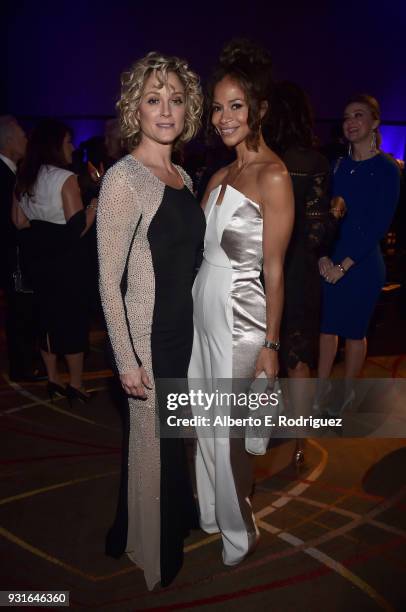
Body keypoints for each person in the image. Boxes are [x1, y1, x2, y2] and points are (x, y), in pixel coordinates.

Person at [97, 52, 204, 589]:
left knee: (171, 440)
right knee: (151, 443)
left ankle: (170, 521)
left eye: (176, 99)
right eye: (154, 98)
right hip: (146, 337)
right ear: (135, 109)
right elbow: (107, 282)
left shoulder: (181, 174)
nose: (166, 110)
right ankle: (149, 546)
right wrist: (126, 359)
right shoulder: (123, 179)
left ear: (189, 109)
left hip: (181, 333)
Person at [188, 40, 294, 565]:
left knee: (228, 435)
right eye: (217, 106)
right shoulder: (219, 175)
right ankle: (211, 511)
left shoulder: (272, 176)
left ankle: (240, 530)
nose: (223, 116)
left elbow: (275, 270)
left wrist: (271, 346)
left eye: (235, 106)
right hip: (202, 311)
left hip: (240, 316)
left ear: (258, 110)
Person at [265, 82, 342, 461]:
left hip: (259, 269)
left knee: (262, 351)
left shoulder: (260, 160)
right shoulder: (312, 163)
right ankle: (298, 441)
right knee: (298, 356)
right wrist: (335, 213)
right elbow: (315, 235)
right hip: (297, 271)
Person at [318, 94, 400, 389]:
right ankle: (319, 394)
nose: (350, 122)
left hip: (362, 264)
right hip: (331, 260)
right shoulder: (336, 166)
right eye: (346, 117)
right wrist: (323, 257)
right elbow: (321, 217)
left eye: (359, 115)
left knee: (354, 332)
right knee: (326, 329)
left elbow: (379, 224)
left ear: (375, 122)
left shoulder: (387, 169)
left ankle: (346, 396)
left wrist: (344, 265)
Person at [12, 118, 96, 402]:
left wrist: (42, 230)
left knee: (45, 320)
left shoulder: (24, 176)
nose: (72, 146)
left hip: (38, 261)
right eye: (68, 141)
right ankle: (75, 384)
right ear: (56, 145)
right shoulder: (65, 178)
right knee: (71, 321)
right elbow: (75, 228)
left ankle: (52, 380)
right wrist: (94, 207)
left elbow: (19, 221)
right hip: (67, 263)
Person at [0, 115, 41, 382]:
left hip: (15, 253)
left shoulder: (14, 172)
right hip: (10, 253)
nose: (27, 140)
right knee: (18, 310)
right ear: (9, 141)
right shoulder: (4, 175)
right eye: (23, 136)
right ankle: (22, 366)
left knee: (21, 309)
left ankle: (25, 363)